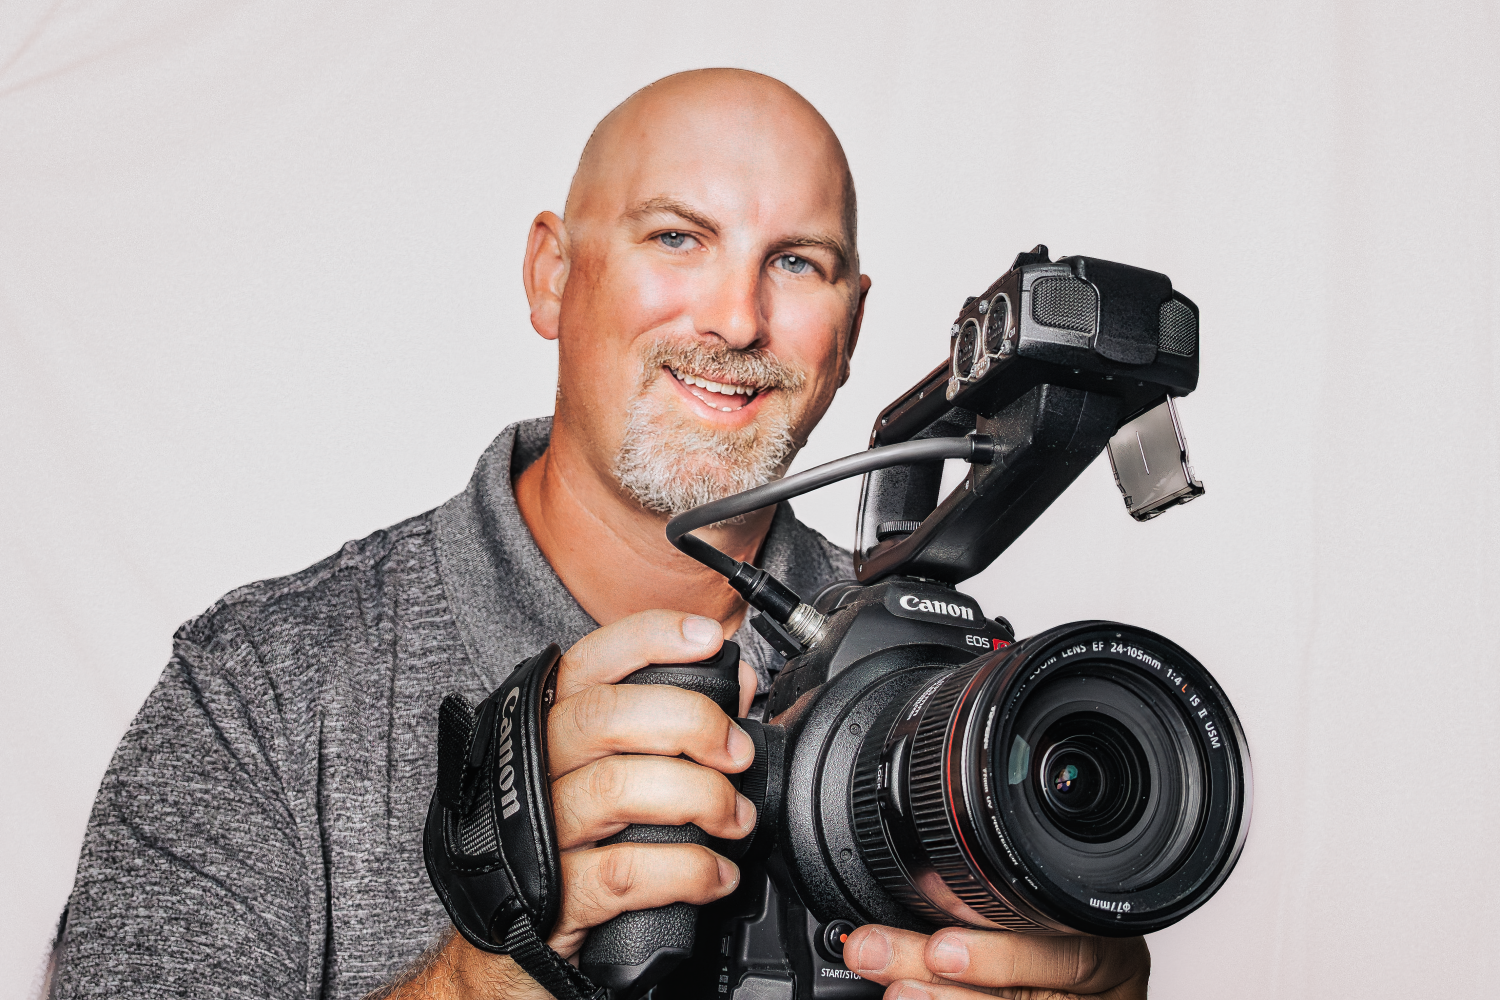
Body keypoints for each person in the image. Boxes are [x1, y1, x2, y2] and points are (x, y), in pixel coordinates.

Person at [48, 69, 1150, 1000]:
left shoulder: (949, 712)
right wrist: (486, 974)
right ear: (553, 274)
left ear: (851, 326)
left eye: (797, 261)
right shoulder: (262, 690)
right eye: (678, 236)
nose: (734, 319)